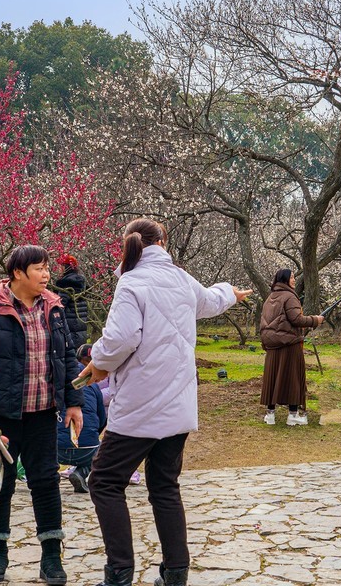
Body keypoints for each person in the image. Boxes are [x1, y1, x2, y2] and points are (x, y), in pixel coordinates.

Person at [77, 219, 252, 586]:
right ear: (164, 242)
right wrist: (231, 293)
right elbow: (210, 300)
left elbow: (122, 338)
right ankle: (175, 574)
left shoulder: (131, 282)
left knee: (105, 482)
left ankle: (119, 572)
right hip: (177, 408)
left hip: (141, 407)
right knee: (165, 487)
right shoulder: (181, 279)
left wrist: (97, 361)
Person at [0, 245, 84, 586]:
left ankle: (51, 557)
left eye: (47, 269)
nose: (46, 275)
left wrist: (74, 402)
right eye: (40, 269)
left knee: (46, 481)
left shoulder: (54, 308)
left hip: (43, 412)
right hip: (1, 416)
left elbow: (68, 357)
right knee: (0, 484)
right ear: (18, 273)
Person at [258, 268, 324, 426]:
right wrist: (315, 320)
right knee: (294, 378)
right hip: (290, 344)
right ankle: (293, 415)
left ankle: (270, 415)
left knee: (272, 378)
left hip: (273, 344)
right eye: (292, 277)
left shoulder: (270, 297)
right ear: (285, 279)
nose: (294, 280)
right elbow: (297, 319)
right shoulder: (290, 297)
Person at [58, 344, 107, 493]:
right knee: (104, 448)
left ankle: (50, 471)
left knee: (40, 443)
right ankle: (81, 472)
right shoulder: (94, 385)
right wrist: (91, 433)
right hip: (87, 449)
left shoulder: (59, 379)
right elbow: (102, 418)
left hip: (56, 449)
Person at [53, 253, 90, 349]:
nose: (59, 269)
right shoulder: (82, 283)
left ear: (66, 267)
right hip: (81, 327)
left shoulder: (67, 284)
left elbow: (59, 306)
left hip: (70, 329)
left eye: (61, 266)